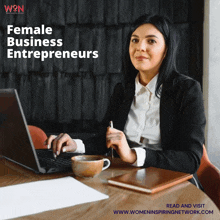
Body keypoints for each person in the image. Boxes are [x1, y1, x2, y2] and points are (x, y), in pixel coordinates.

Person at [46, 14, 206, 189]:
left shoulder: (187, 90)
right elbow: (105, 138)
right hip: (126, 179)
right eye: (134, 40)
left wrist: (133, 155)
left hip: (173, 184)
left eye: (151, 41)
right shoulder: (123, 89)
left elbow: (191, 160)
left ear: (167, 49)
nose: (140, 48)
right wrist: (76, 144)